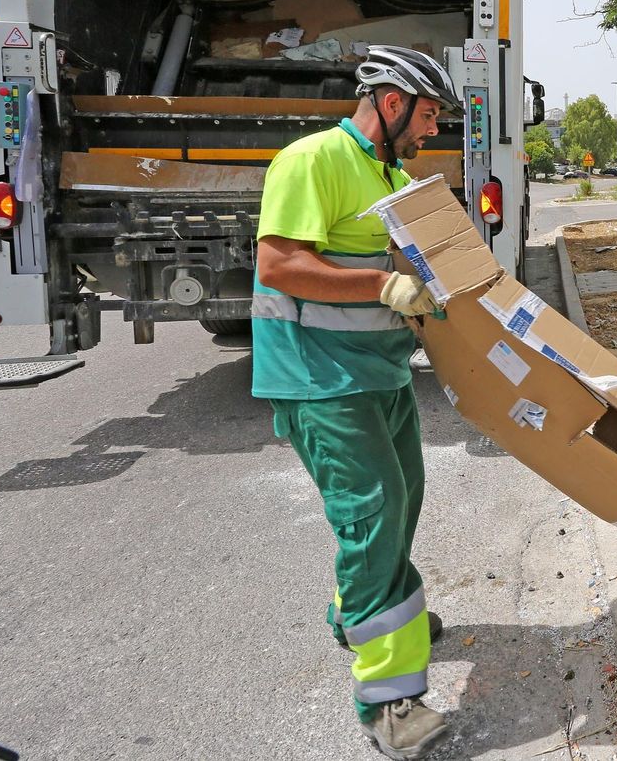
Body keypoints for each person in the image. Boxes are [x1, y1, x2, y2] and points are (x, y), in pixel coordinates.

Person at [251, 45, 461, 760]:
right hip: (318, 377)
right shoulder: (312, 160)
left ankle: (361, 612)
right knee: (372, 518)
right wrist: (383, 285)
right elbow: (279, 264)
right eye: (428, 114)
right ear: (392, 101)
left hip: (378, 371)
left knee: (404, 498)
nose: (431, 130)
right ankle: (389, 704)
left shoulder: (389, 173)